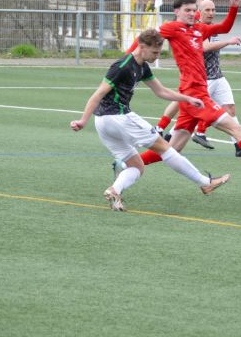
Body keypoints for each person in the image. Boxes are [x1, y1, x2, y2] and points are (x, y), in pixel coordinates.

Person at [122, 0, 241, 181]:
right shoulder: (172, 28)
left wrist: (234, 6)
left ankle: (124, 164)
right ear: (176, 12)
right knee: (236, 129)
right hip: (195, 95)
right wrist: (125, 60)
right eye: (187, 10)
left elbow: (225, 27)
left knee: (172, 149)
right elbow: (143, 40)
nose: (191, 13)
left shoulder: (199, 29)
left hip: (193, 95)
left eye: (193, 10)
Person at [70, 29, 230, 211]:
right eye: (154, 52)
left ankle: (114, 191)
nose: (157, 56)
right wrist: (83, 121)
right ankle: (205, 183)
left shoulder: (143, 67)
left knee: (136, 166)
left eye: (159, 52)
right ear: (141, 46)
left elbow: (160, 91)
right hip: (119, 118)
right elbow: (98, 94)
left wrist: (186, 98)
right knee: (165, 148)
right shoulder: (122, 66)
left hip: (104, 123)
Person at [154, 0, 215, 140]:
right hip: (194, 77)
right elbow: (204, 47)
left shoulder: (205, 23)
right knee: (189, 103)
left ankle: (173, 132)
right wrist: (228, 42)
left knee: (189, 105)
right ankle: (165, 129)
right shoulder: (191, 23)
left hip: (210, 75)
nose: (208, 3)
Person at [191, 0, 241, 157]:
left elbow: (226, 26)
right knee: (190, 116)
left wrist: (234, 6)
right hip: (204, 79)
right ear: (199, 12)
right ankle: (169, 138)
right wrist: (228, 42)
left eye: (213, 10)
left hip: (218, 77)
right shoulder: (197, 28)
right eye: (207, 10)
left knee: (230, 109)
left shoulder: (214, 28)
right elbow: (205, 47)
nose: (211, 13)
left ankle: (239, 146)